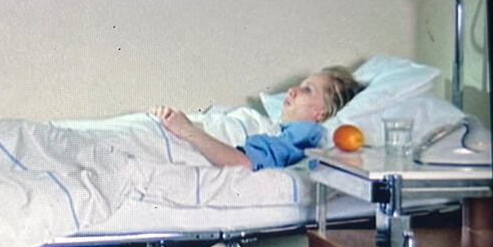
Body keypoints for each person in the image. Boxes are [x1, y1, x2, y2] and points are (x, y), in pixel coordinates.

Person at [151, 66, 361, 170]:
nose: (291, 90)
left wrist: (188, 131)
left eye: (307, 90)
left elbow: (243, 162)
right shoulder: (273, 128)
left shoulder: (306, 133)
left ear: (322, 112)